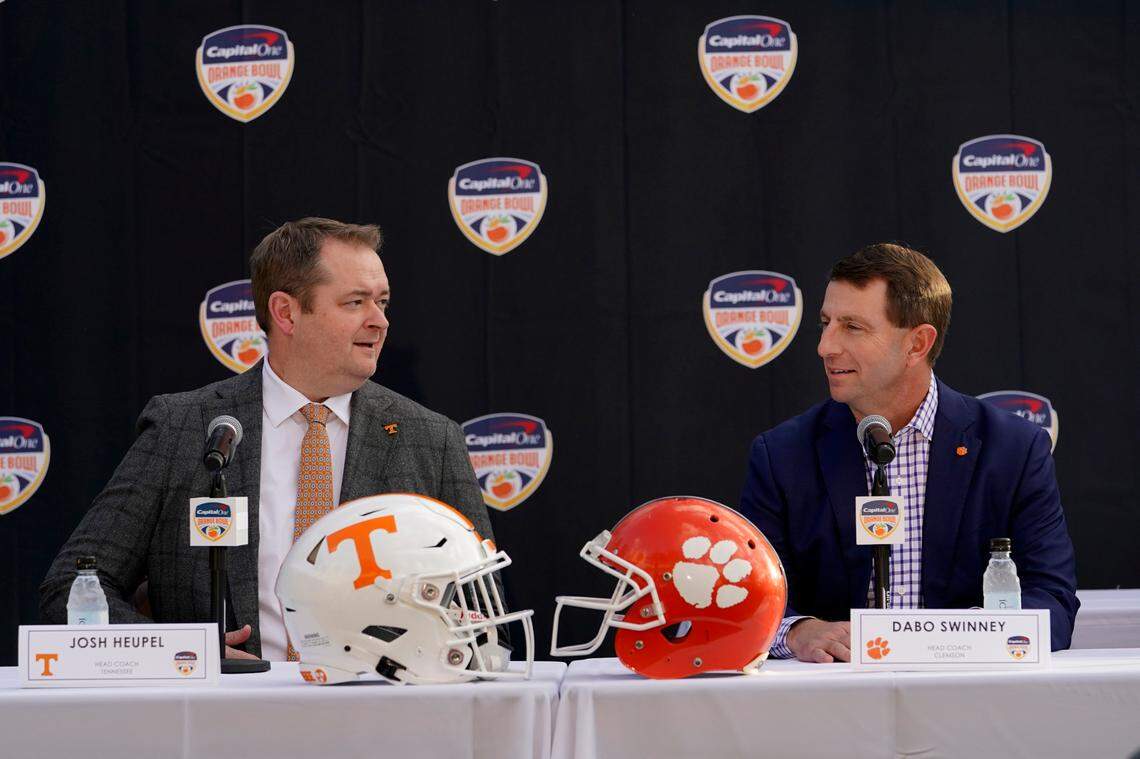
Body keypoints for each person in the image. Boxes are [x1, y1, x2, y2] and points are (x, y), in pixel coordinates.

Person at [40, 217, 493, 661]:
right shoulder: (185, 427)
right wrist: (184, 653)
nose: (379, 322)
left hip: (378, 718)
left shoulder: (431, 440)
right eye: (355, 302)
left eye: (383, 302)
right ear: (286, 312)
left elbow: (485, 614)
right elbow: (73, 588)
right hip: (225, 720)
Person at [739, 243, 1078, 663]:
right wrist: (798, 632)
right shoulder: (781, 456)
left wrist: (962, 640)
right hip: (833, 703)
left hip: (968, 699)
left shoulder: (1013, 450)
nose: (825, 346)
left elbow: (1053, 602)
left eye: (853, 327)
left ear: (917, 344)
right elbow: (749, 600)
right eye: (825, 323)